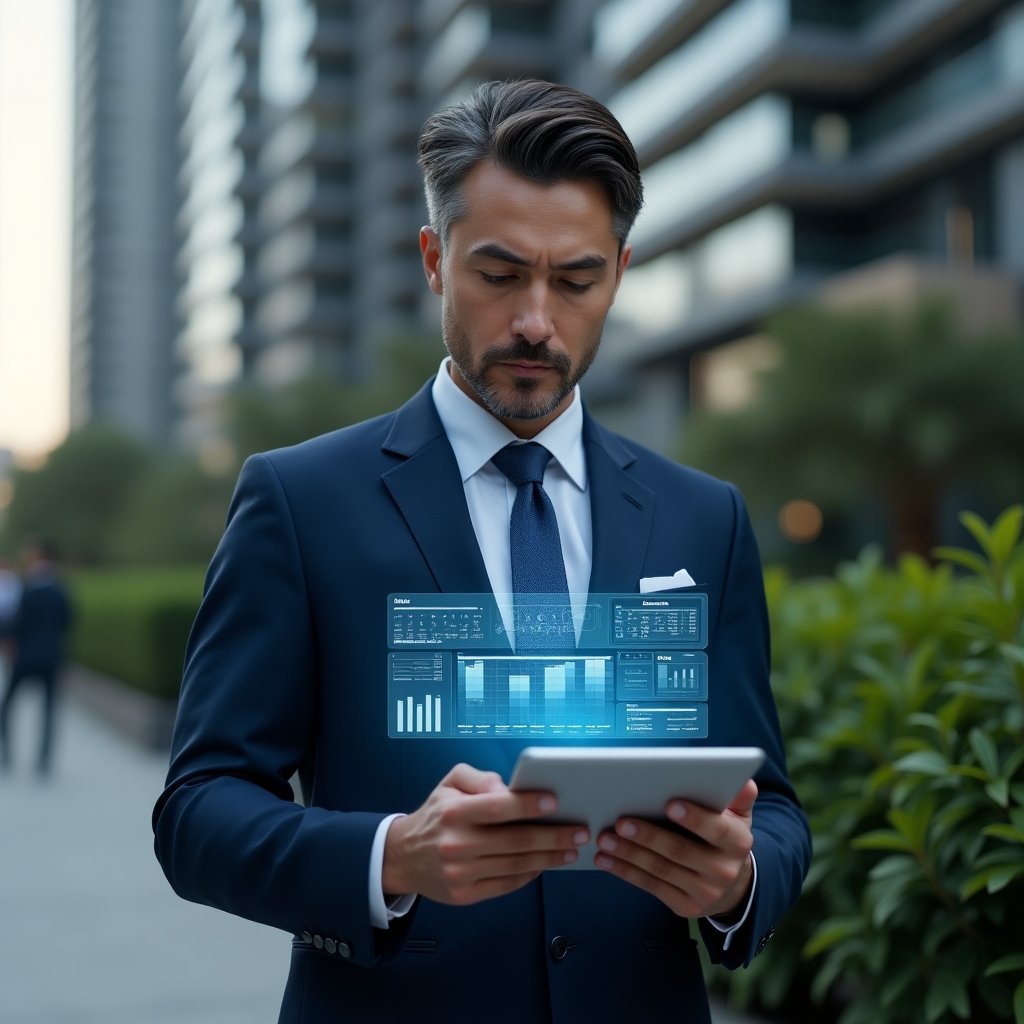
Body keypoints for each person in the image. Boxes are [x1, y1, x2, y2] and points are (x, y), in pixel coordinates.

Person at [153, 79, 811, 1022]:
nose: (537, 320)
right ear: (434, 259)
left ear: (620, 272)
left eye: (576, 281)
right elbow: (199, 810)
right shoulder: (299, 502)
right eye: (500, 276)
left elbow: (776, 807)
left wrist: (740, 881)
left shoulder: (706, 519)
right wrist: (391, 856)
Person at [0, 538, 73, 776]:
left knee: (7, 705)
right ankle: (44, 760)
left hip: (25, 656)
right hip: (51, 656)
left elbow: (16, 621)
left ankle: (7, 753)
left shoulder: (27, 588)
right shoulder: (61, 589)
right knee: (49, 710)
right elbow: (67, 623)